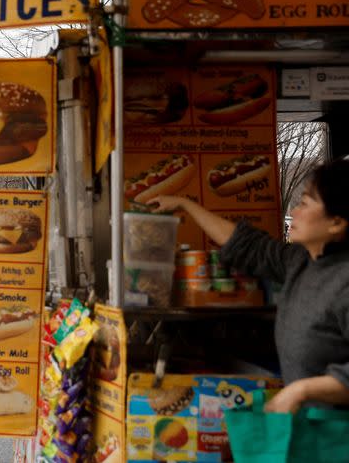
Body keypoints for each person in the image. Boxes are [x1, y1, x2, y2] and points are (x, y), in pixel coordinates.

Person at [149, 159, 349, 413]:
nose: (294, 211)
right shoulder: (300, 261)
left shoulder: (344, 281)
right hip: (310, 428)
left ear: (337, 223)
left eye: (305, 203)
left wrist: (301, 390)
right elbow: (247, 245)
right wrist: (184, 204)